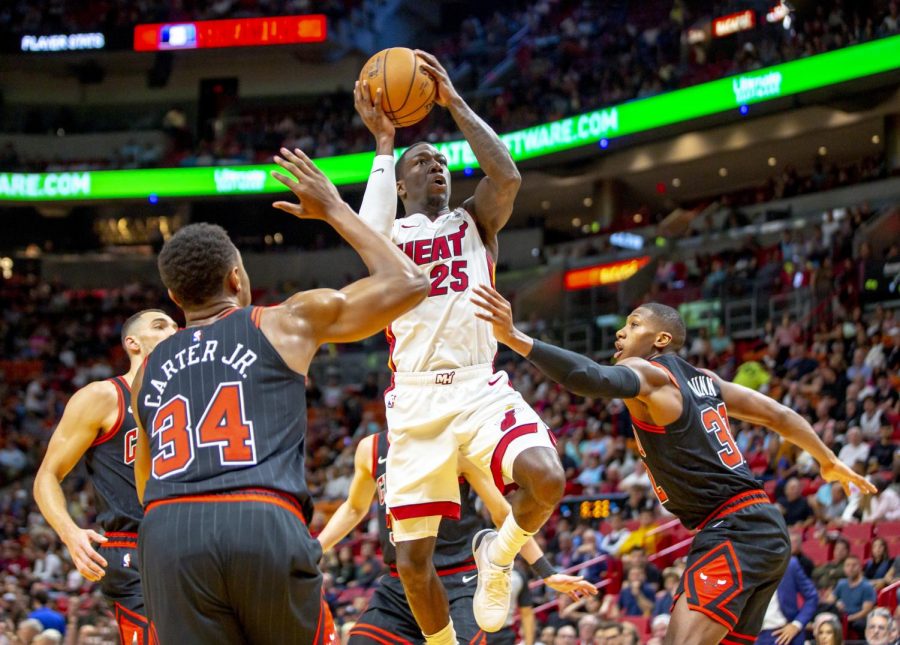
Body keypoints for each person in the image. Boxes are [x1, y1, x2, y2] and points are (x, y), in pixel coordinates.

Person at [131, 147, 430, 644]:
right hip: (259, 516)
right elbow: (409, 282)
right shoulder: (283, 321)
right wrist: (334, 207)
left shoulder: (148, 371)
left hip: (168, 530)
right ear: (236, 279)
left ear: (177, 299)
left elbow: (146, 481)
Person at [471, 288, 876, 645]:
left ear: (661, 339)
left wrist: (515, 339)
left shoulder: (648, 373)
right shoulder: (707, 380)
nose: (620, 332)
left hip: (732, 530)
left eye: (633, 324)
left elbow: (588, 376)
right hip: (761, 529)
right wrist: (828, 460)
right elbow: (779, 415)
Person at [352, 54, 565, 641]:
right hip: (416, 403)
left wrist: (453, 102)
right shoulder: (391, 236)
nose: (437, 166)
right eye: (424, 162)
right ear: (401, 183)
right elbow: (367, 236)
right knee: (413, 565)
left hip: (478, 387)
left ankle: (498, 555)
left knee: (546, 477)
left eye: (443, 161)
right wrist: (386, 144)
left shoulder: (475, 222)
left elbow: (508, 178)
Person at [316, 431, 595, 644]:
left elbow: (501, 512)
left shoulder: (454, 444)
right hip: (399, 583)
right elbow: (354, 508)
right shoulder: (372, 448)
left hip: (459, 582)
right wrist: (313, 550)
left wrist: (545, 571)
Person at [33, 308, 178, 645]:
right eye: (160, 326)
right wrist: (69, 533)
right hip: (134, 547)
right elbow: (47, 475)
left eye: (177, 326)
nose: (173, 331)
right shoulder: (103, 396)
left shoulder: (195, 398)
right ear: (133, 343)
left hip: (191, 541)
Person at [755, 556, 817, 645]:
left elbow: (812, 597)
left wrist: (797, 624)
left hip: (784, 635)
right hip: (754, 636)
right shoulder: (747, 566)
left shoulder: (790, 565)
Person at [829, 555, 875, 635]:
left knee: (860, 624)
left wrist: (848, 619)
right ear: (844, 568)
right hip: (842, 617)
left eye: (854, 565)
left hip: (857, 619)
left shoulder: (867, 586)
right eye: (847, 565)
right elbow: (829, 602)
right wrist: (836, 604)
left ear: (860, 568)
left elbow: (865, 611)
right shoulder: (841, 583)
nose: (850, 568)